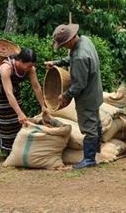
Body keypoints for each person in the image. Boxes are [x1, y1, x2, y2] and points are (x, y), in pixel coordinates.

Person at [46, 24, 103, 169]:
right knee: (95, 121)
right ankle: (97, 150)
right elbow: (71, 57)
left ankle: (89, 159)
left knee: (88, 125)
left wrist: (65, 95)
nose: (64, 47)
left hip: (87, 96)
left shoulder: (80, 57)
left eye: (64, 45)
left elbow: (78, 85)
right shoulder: (85, 40)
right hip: (95, 91)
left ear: (70, 41)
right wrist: (57, 63)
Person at [0, 48, 49, 155]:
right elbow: (8, 93)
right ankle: (7, 150)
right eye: (28, 66)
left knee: (18, 122)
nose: (30, 68)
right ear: (20, 61)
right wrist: (20, 113)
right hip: (0, 94)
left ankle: (17, 148)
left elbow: (36, 87)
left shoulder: (31, 69)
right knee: (7, 120)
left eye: (32, 65)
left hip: (14, 90)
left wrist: (43, 106)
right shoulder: (6, 68)